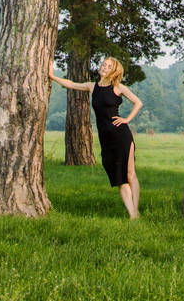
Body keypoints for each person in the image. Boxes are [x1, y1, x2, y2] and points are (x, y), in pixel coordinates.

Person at [49, 56, 142, 219]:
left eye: (108, 66)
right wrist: (52, 76)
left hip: (121, 135)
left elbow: (138, 102)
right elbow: (71, 84)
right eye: (103, 65)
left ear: (113, 71)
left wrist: (127, 119)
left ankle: (135, 212)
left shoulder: (118, 87)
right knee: (119, 178)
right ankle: (133, 214)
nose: (104, 68)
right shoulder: (93, 87)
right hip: (106, 138)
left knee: (129, 174)